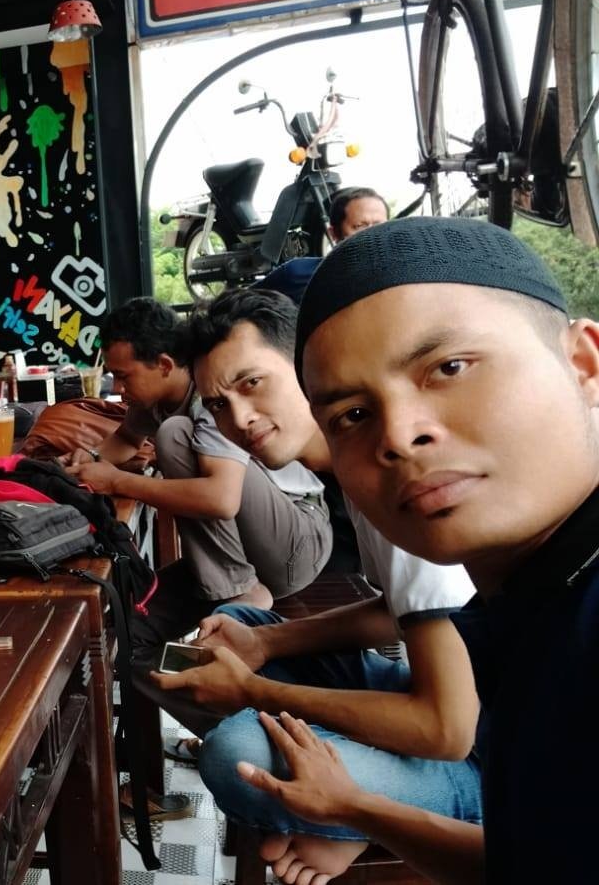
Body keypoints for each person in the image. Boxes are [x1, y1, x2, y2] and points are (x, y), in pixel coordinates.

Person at [235, 216, 599, 885]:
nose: (399, 436)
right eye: (352, 415)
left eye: (449, 368)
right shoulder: (533, 598)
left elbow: (446, 728)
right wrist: (353, 809)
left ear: (583, 364)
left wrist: (251, 684)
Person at [150, 289, 480, 884]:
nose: (239, 420)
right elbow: (398, 611)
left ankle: (354, 814)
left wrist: (252, 691)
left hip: (492, 757)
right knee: (238, 629)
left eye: (253, 384)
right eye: (219, 404)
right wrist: (268, 645)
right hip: (447, 699)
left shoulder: (399, 473)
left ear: (311, 369)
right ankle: (327, 799)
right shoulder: (350, 473)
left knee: (236, 754)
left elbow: (446, 729)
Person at [64, 297, 332, 651]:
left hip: (296, 545)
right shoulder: (155, 401)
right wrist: (89, 458)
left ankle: (239, 591)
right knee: (129, 626)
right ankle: (225, 599)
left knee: (173, 434)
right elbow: (126, 440)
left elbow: (222, 499)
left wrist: (116, 481)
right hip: (242, 554)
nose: (117, 388)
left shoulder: (210, 400)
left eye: (123, 376)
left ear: (164, 364)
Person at [255, 187, 390, 303]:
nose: (373, 233)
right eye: (359, 226)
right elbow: (246, 302)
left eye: (380, 225)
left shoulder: (400, 275)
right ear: (333, 234)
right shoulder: (298, 273)